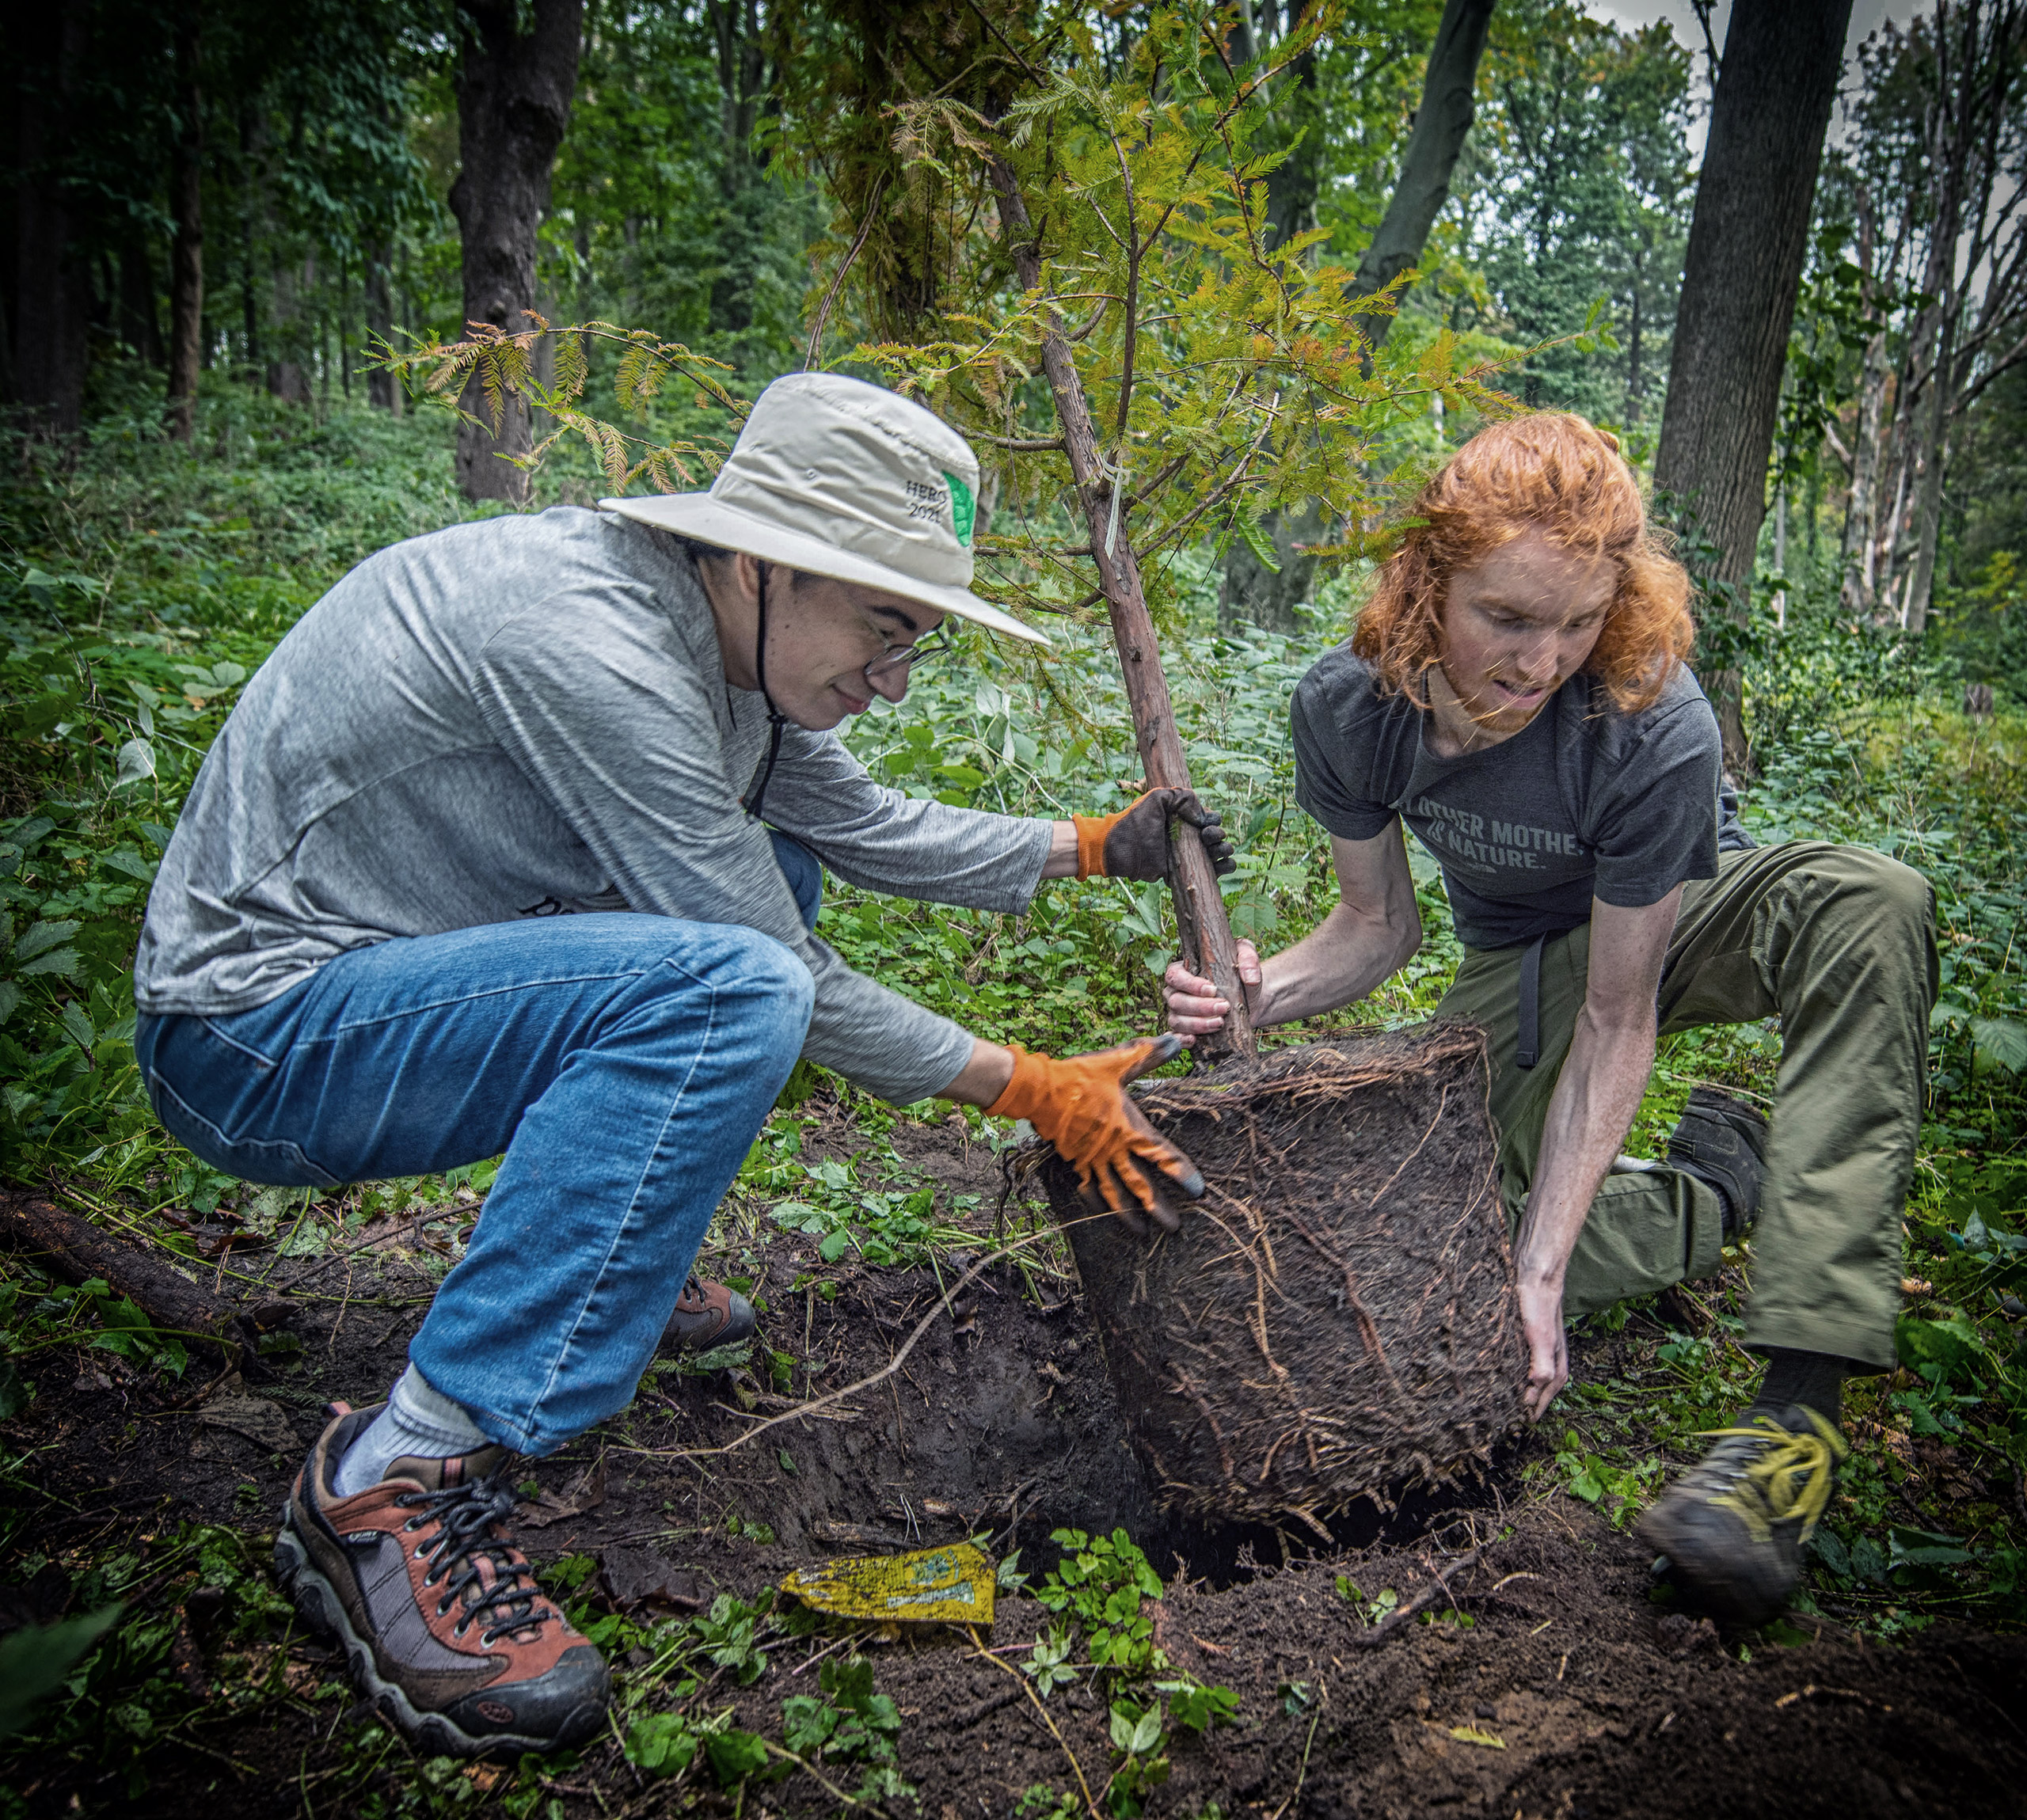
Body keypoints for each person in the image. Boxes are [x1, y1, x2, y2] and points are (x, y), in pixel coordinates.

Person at [131, 372, 1234, 1756]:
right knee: (733, 984)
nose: (893, 679)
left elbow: (863, 823)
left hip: (396, 992)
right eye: (884, 628)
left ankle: (609, 1273)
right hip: (257, 1038)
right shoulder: (587, 643)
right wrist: (1029, 1083)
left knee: (761, 884)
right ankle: (393, 1476)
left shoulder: (722, 647)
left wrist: (1088, 845)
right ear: (765, 560)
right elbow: (783, 974)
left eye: (918, 643)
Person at [1164, 413, 1935, 1628]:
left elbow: (1623, 1013)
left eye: (1579, 622)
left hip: (1678, 919)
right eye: (1510, 620)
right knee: (1428, 1268)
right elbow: (1374, 930)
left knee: (1871, 904)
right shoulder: (1351, 712)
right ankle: (1710, 1197)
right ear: (1427, 582)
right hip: (1521, 962)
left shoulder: (1648, 716)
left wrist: (1547, 1262)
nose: (1542, 662)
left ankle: (1796, 1417)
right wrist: (1256, 993)